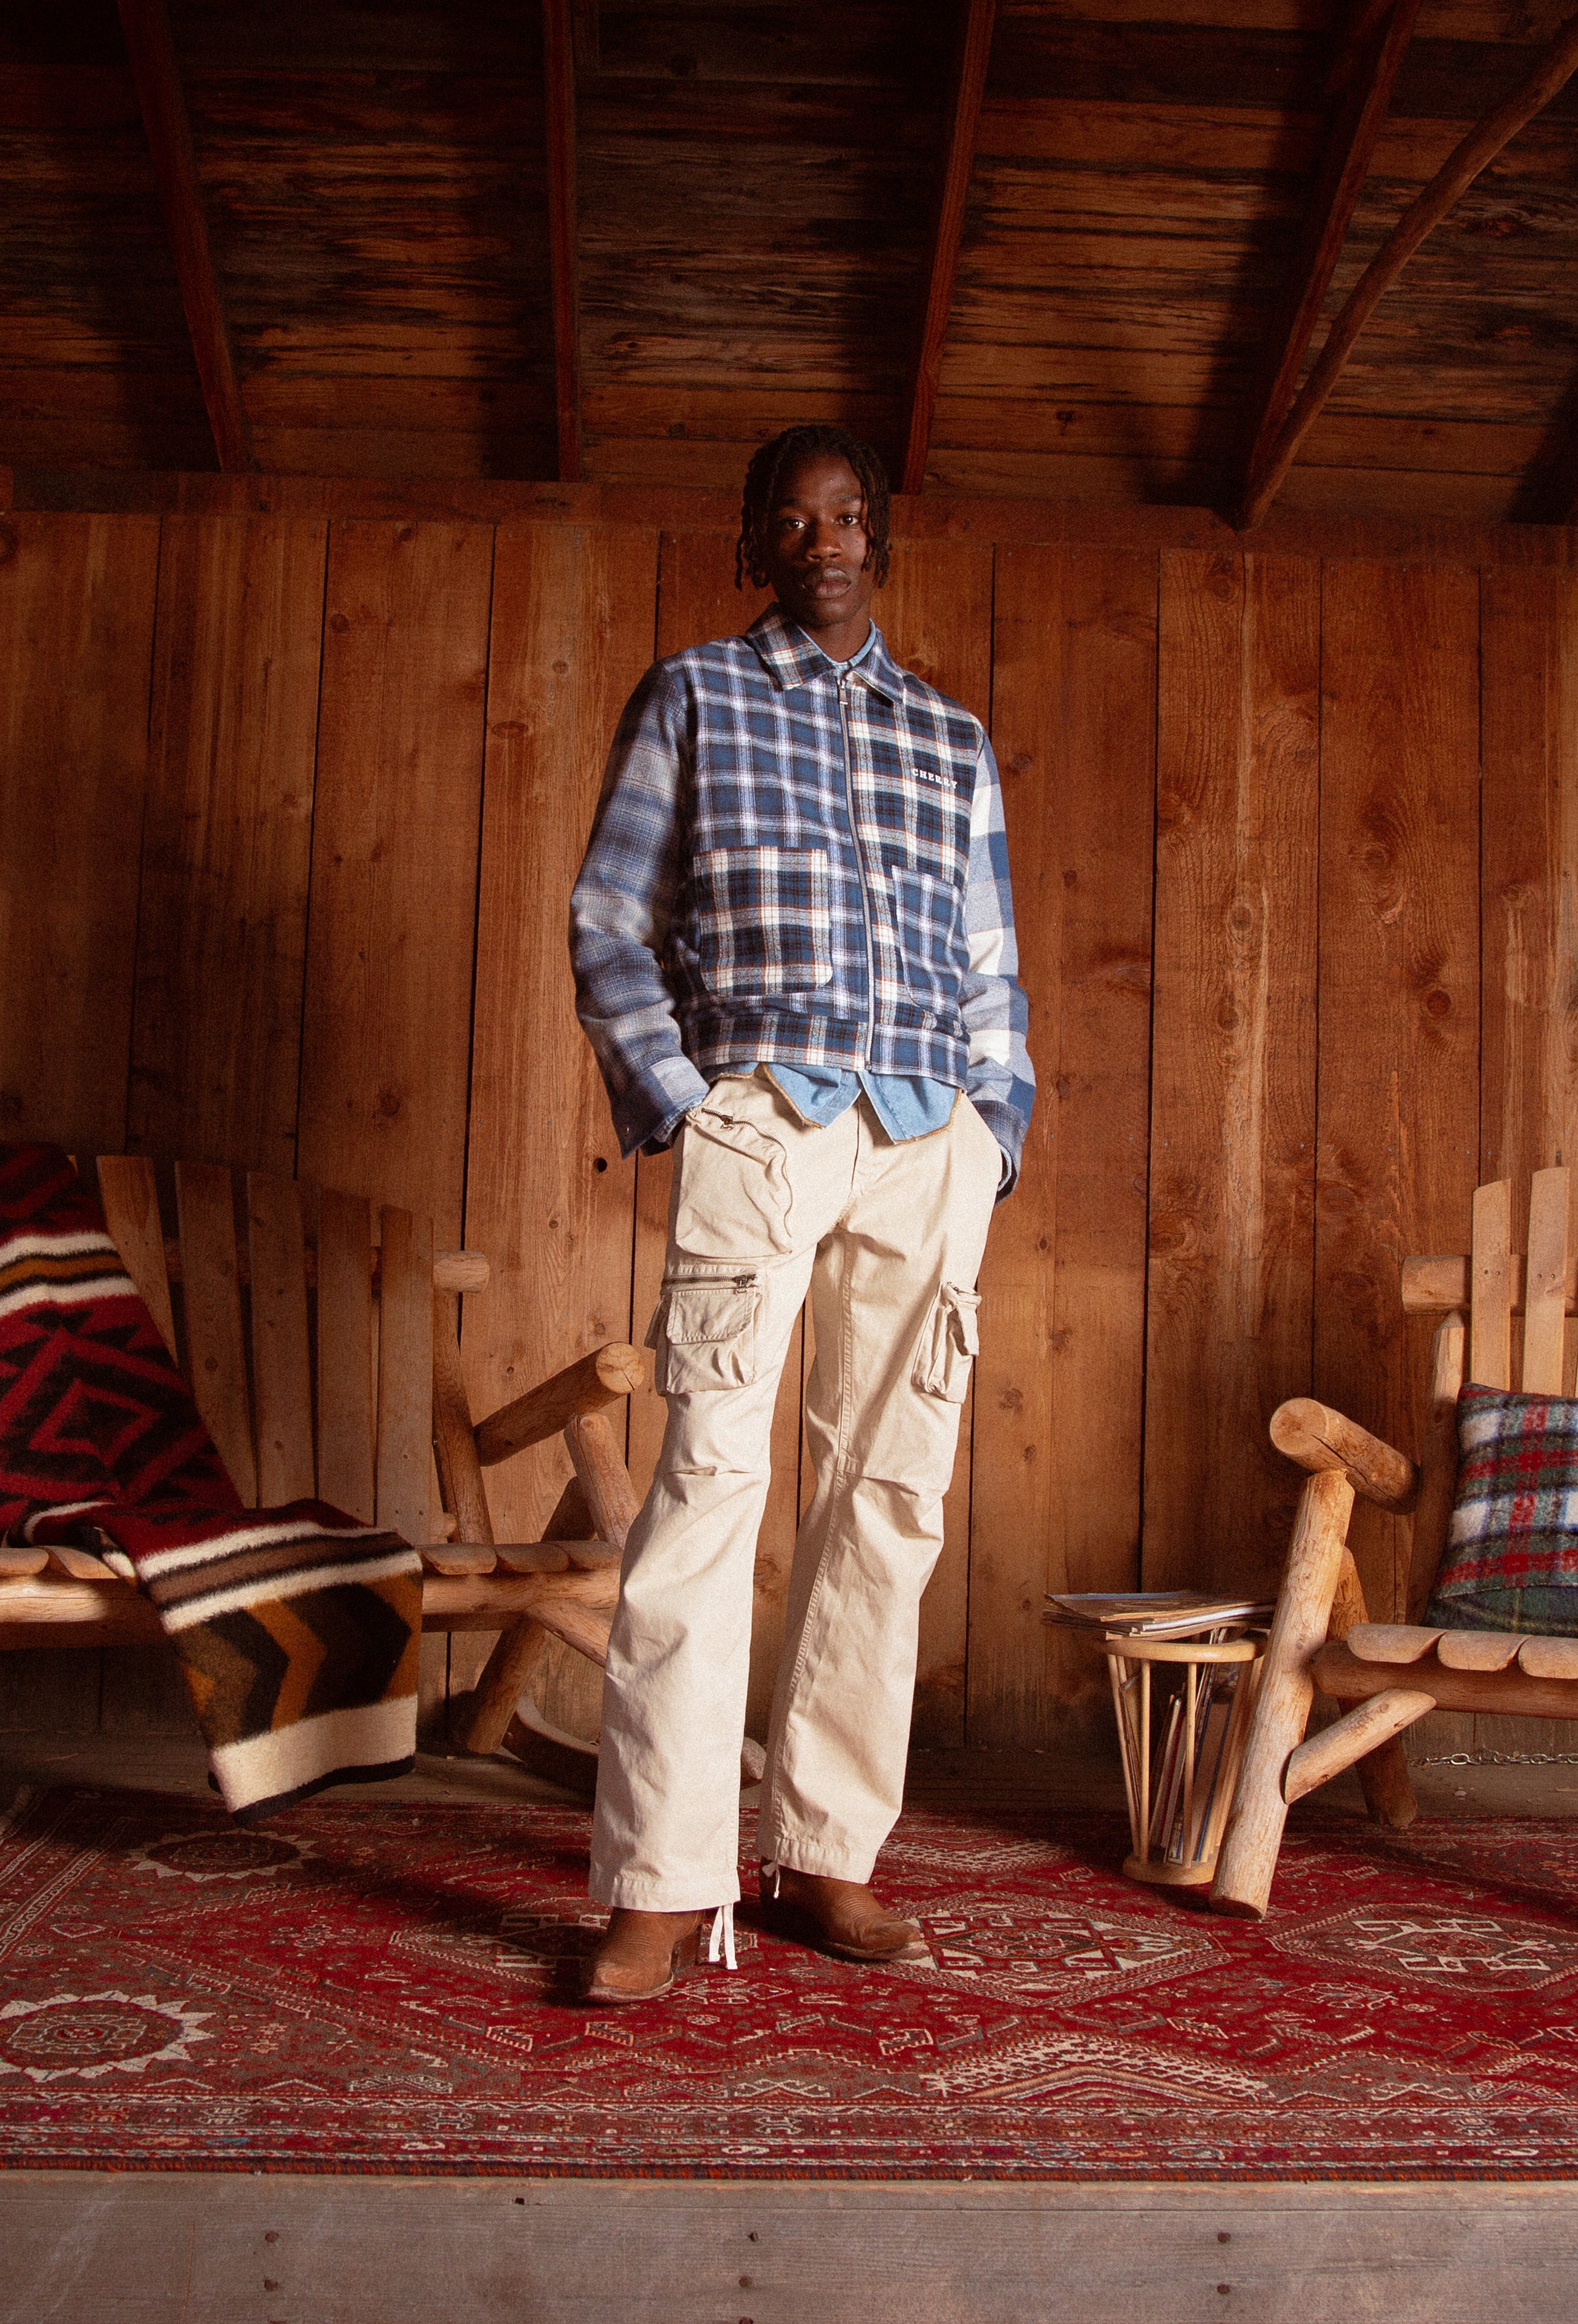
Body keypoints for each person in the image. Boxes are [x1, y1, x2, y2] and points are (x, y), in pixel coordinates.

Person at [568, 424, 1034, 2002]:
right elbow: (611, 920)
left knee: (889, 1495)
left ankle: (829, 1852)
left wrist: (992, 1129)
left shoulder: (949, 738)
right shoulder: (695, 696)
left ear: (878, 535)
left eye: (847, 517)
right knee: (708, 1480)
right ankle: (662, 1880)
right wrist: (683, 1098)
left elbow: (992, 965)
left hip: (926, 1135)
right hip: (761, 1118)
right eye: (793, 519)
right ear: (756, 543)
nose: (824, 542)